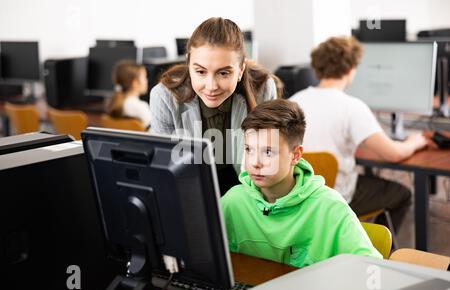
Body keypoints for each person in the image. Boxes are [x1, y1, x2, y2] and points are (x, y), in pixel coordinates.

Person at [289, 36, 428, 232]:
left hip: (298, 197)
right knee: (402, 193)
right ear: (350, 69)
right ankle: (374, 249)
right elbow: (394, 154)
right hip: (335, 198)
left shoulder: (293, 102)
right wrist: (414, 142)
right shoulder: (352, 107)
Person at [221, 99, 382, 268]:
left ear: (296, 155)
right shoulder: (233, 202)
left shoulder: (329, 207)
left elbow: (372, 270)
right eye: (249, 149)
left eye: (268, 152)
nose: (255, 162)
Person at [149, 17, 281, 195]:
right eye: (201, 71)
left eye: (224, 73)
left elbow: (267, 162)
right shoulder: (164, 97)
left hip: (247, 189)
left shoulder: (263, 89)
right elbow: (165, 173)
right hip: (189, 190)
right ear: (189, 65)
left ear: (241, 70)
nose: (211, 86)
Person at [107, 60, 151, 130]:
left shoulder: (112, 103)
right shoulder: (141, 107)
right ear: (135, 83)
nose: (147, 80)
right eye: (145, 77)